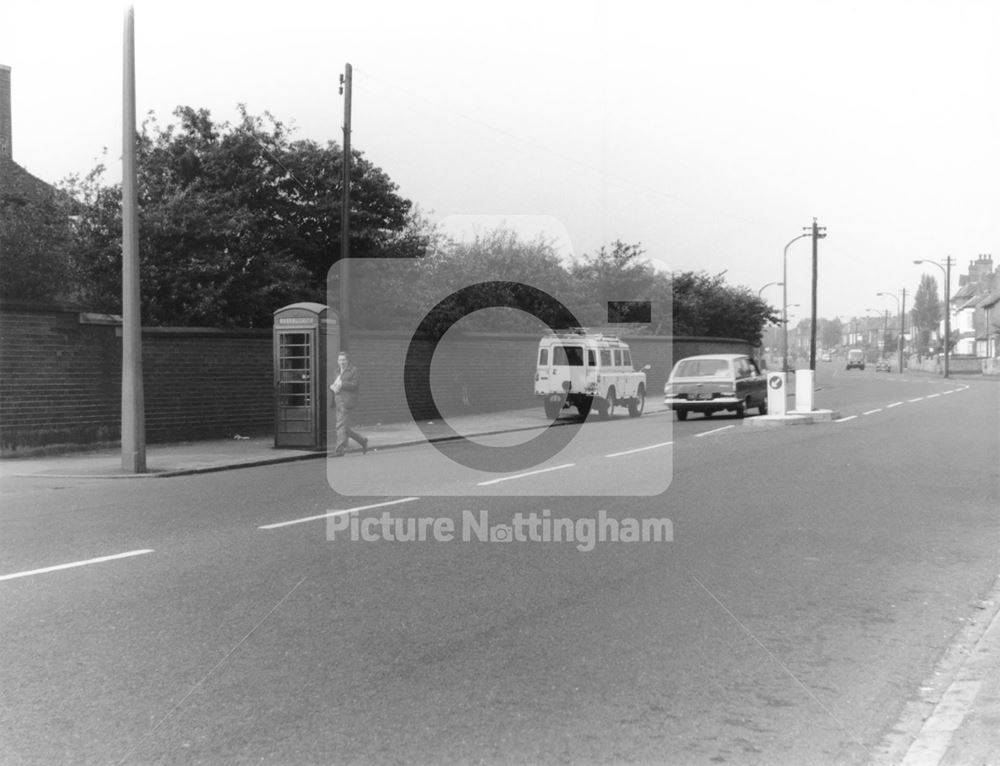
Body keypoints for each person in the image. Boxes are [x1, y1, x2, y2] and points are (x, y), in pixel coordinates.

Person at [330, 351, 368, 457]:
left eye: (344, 360)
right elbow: (334, 384)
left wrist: (342, 384)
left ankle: (339, 451)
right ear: (337, 361)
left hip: (346, 401)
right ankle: (362, 440)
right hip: (337, 401)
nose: (342, 362)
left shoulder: (354, 370)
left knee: (340, 426)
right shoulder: (336, 371)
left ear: (347, 360)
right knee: (343, 427)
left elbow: (355, 385)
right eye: (340, 360)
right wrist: (332, 386)